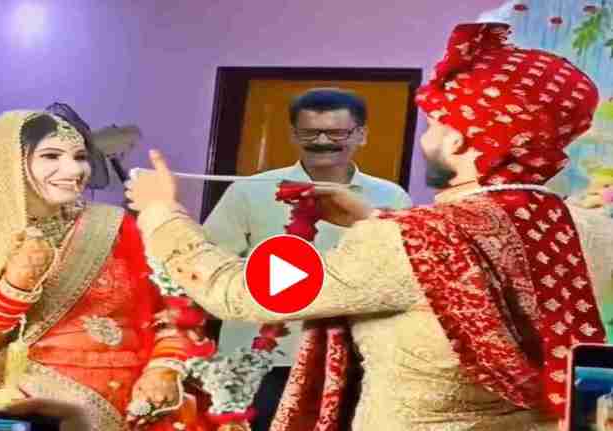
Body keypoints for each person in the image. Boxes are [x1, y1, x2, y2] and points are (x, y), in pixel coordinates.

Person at [127, 23, 613, 430]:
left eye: (436, 125)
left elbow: (244, 293)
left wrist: (161, 213)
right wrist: (373, 219)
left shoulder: (404, 239)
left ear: (463, 141)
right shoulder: (597, 231)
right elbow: (468, 265)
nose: (427, 137)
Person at [0, 105, 217, 431]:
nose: (74, 170)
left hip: (134, 402)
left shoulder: (115, 227)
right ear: (10, 162)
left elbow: (176, 309)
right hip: (26, 404)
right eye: (51, 156)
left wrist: (165, 369)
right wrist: (15, 288)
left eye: (80, 157)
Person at [202, 87, 411, 430]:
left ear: (361, 135)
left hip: (351, 358)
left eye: (337, 133)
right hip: (258, 358)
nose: (323, 141)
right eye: (310, 133)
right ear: (293, 134)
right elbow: (209, 262)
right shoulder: (249, 190)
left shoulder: (390, 197)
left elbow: (405, 271)